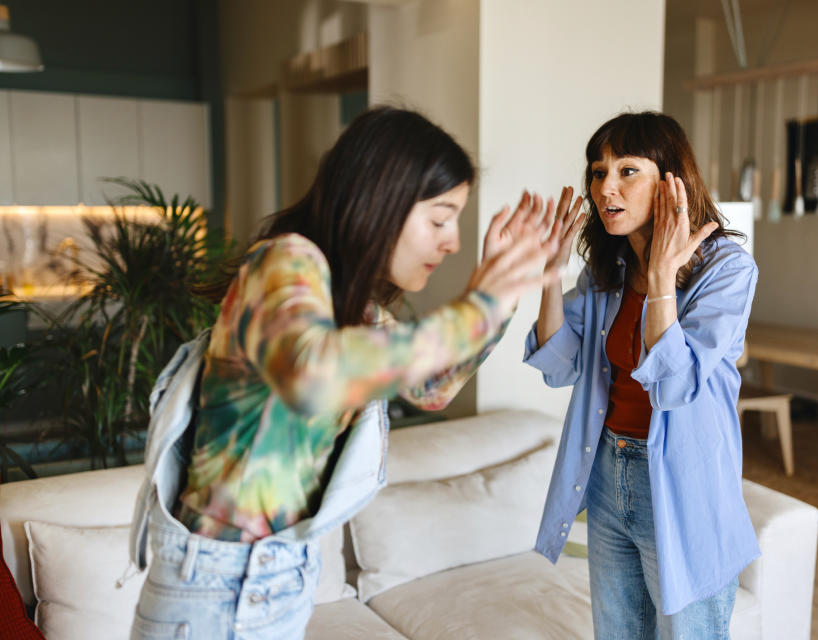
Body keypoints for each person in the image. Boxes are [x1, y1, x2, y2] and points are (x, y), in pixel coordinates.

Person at [128, 106, 559, 640]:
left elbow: (433, 389)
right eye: (440, 218)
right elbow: (313, 377)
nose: (450, 242)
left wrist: (504, 293)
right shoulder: (281, 262)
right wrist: (477, 305)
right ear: (384, 199)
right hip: (217, 589)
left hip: (277, 580)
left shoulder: (354, 309)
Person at [525, 111, 760, 639]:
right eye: (597, 171)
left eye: (627, 170)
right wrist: (548, 279)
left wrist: (659, 281)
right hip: (608, 475)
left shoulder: (727, 270)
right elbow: (560, 366)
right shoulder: (607, 272)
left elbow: (675, 385)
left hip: (683, 487)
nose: (606, 187)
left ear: (670, 180)